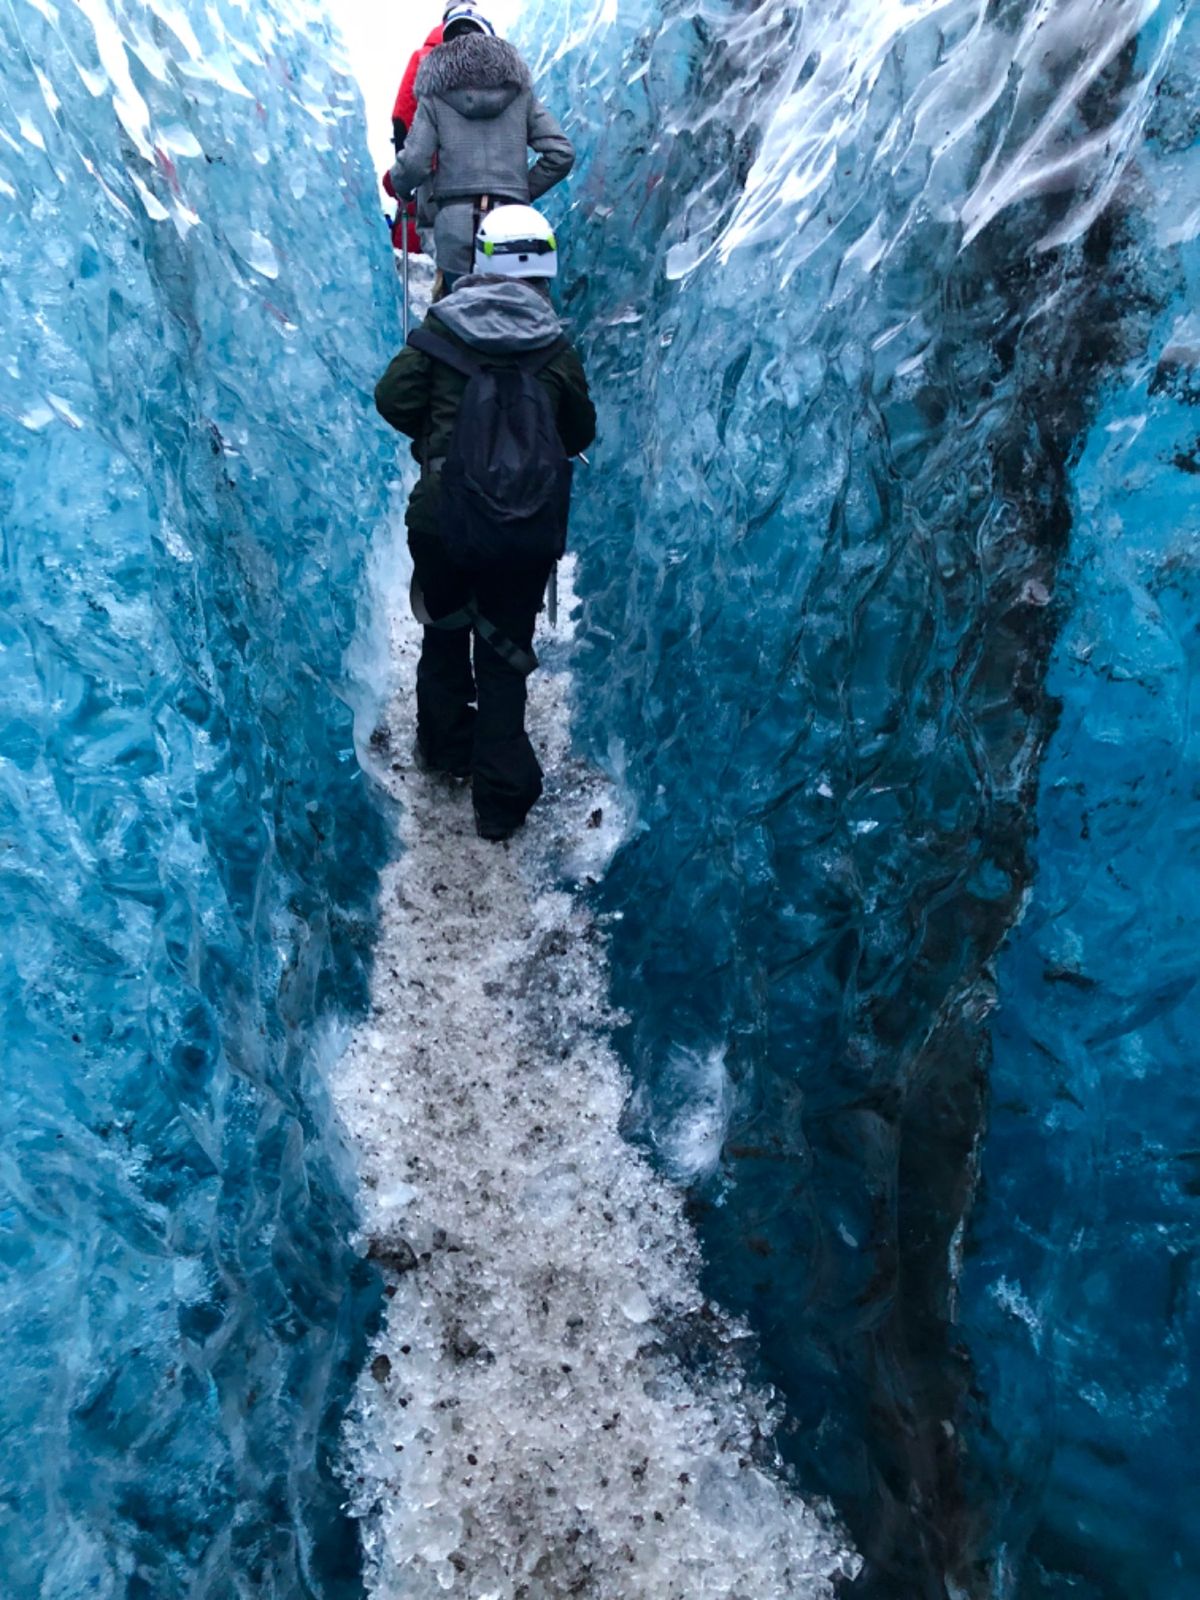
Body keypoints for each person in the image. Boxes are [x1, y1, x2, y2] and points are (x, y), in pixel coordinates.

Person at [374, 206, 596, 842]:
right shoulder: (555, 349)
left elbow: (392, 398)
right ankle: (500, 803)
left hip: (443, 518)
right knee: (502, 655)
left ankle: (445, 752)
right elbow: (581, 430)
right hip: (522, 531)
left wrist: (441, 439)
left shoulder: (443, 331)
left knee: (444, 632)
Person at [387, 6, 575, 293]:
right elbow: (560, 153)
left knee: (460, 320)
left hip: (455, 230)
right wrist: (518, 191)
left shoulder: (434, 97)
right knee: (515, 314)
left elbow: (414, 164)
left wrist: (400, 185)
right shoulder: (519, 94)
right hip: (512, 227)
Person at [383, 17, 444, 258]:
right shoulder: (493, 65)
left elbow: (402, 117)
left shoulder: (423, 58)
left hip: (426, 178)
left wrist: (401, 174)